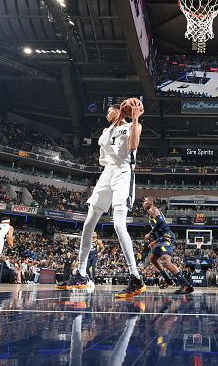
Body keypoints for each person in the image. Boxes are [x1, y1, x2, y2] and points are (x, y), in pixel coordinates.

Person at [58, 99, 146, 298]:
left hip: (124, 172)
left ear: (118, 111)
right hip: (107, 173)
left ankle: (136, 278)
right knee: (89, 223)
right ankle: (81, 274)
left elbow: (133, 147)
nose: (107, 114)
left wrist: (134, 116)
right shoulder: (106, 132)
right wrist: (120, 119)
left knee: (118, 225)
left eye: (110, 111)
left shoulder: (134, 126)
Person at [143, 196, 194, 294]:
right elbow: (162, 227)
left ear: (150, 202)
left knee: (166, 262)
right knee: (152, 259)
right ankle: (168, 280)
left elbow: (161, 222)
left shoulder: (152, 210)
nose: (143, 203)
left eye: (145, 201)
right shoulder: (155, 211)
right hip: (162, 238)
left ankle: (186, 285)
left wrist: (151, 234)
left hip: (167, 237)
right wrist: (156, 241)